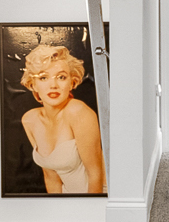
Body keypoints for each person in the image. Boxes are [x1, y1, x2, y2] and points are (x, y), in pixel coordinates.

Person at [19, 39, 105, 195]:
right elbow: (51, 177)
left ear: (72, 83)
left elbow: (95, 173)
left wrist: (91, 210)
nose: (53, 85)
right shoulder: (29, 120)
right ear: (33, 84)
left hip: (98, 193)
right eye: (44, 78)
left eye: (61, 77)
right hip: (68, 196)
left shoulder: (77, 111)